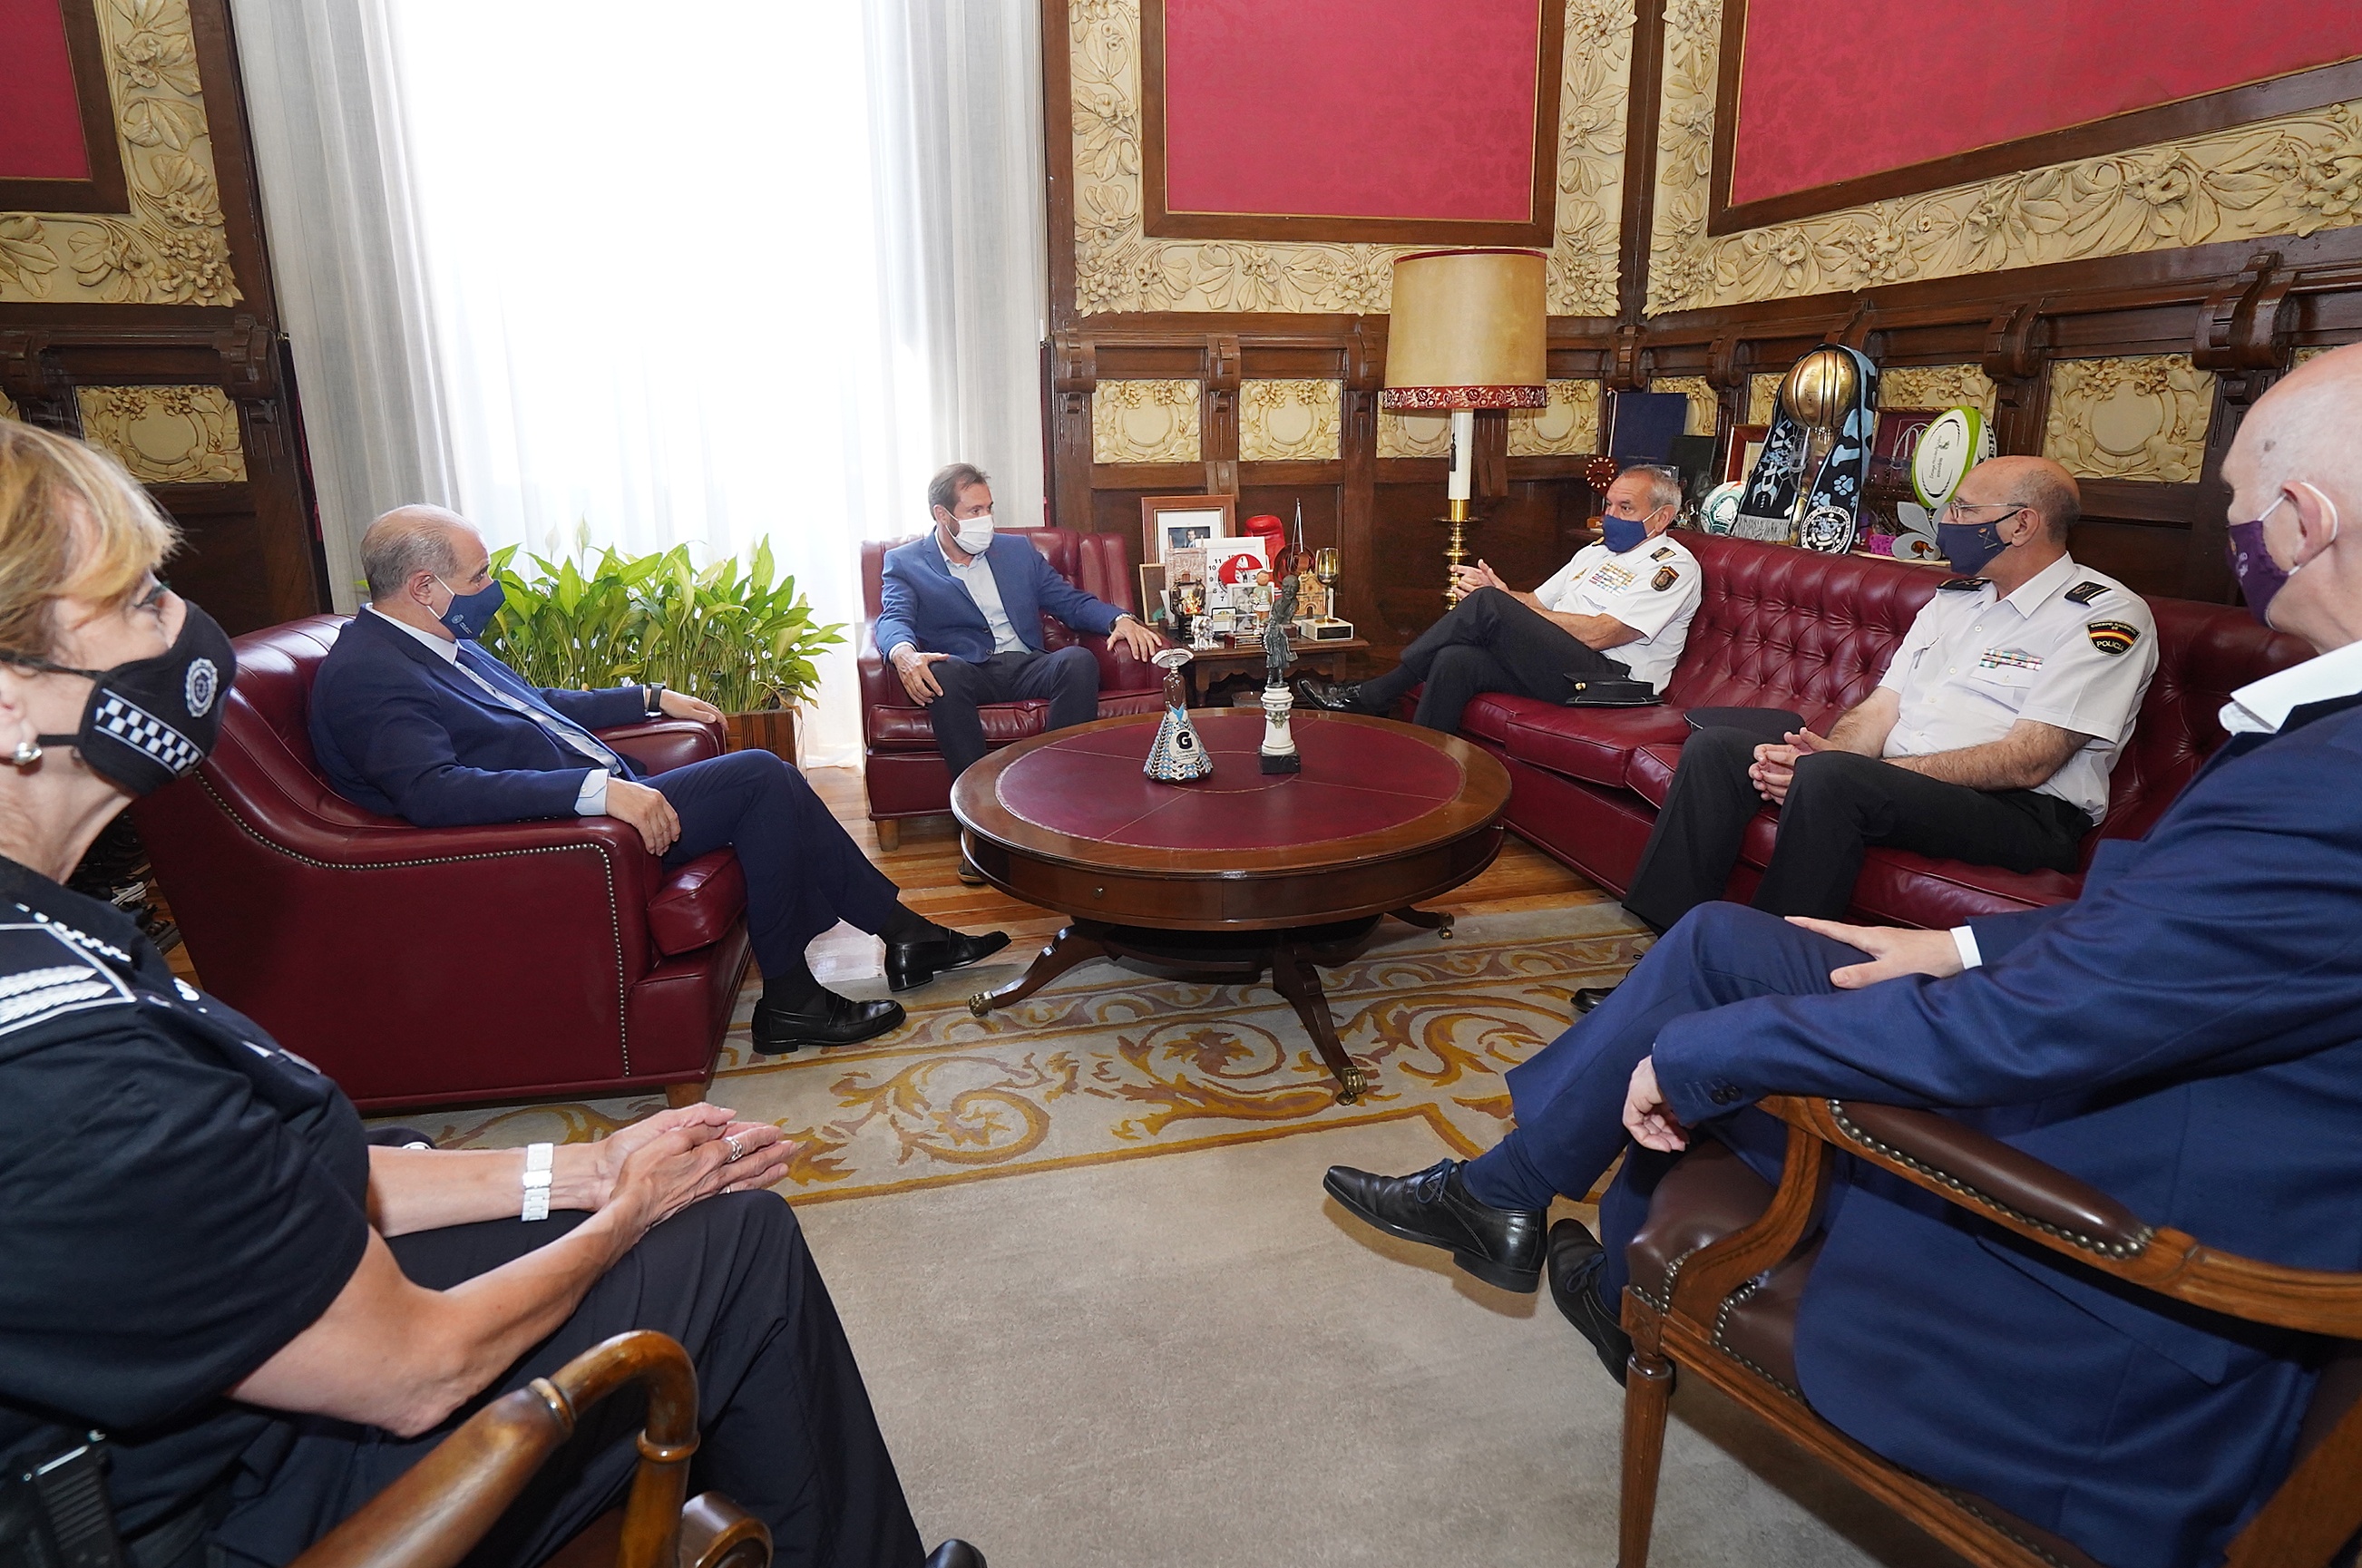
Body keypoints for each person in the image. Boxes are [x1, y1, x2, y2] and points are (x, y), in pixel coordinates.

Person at [1323, 343, 2362, 1568]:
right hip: (2093, 1016)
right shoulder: (2299, 738)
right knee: (1720, 939)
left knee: (1700, 1031)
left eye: (2239, 502)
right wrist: (1954, 938)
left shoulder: (2297, 755)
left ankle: (1585, 1241)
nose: (2236, 533)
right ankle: (1504, 1193)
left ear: (2306, 519)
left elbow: (2049, 983)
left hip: (2120, 1196)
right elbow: (2183, 942)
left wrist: (1708, 1051)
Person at [0, 424, 982, 1568]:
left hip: (251, 1368)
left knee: (715, 1199)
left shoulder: (62, 937)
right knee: (738, 1239)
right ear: (13, 699)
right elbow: (414, 1370)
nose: (183, 625)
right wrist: (627, 1211)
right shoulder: (62, 1057)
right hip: (254, 1485)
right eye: (137, 599)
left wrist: (581, 1168)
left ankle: (873, 946)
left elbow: (261, 1183)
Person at [309, 505, 1006, 1051]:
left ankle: (892, 943)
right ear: (423, 587)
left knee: (772, 787)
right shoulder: (371, 673)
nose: (491, 588)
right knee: (762, 778)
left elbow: (538, 705)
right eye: (479, 577)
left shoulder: (434, 641)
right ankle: (818, 984)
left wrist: (649, 696)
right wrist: (596, 791)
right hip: (571, 833)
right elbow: (435, 792)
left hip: (598, 800)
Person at [1615, 455, 2156, 950]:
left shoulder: (2102, 616)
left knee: (1832, 779)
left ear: (2022, 524)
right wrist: (1830, 754)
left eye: (1964, 510)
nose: (1947, 521)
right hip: (1900, 781)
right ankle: (1668, 954)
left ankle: (1761, 978)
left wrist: (1847, 771)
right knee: (1718, 751)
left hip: (2022, 812)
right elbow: (1882, 706)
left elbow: (2029, 760)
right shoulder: (1955, 600)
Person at [1294, 465, 1701, 735]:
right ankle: (1425, 771)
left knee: (1488, 605)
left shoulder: (1673, 566)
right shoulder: (1596, 552)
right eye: (1608, 504)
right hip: (1569, 664)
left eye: (1625, 508)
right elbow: (1537, 603)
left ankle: (1374, 694)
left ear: (1662, 517)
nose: (1610, 515)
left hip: (1614, 682)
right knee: (1456, 659)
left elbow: (1602, 634)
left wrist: (1500, 607)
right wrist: (1506, 597)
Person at [876, 462, 1165, 783]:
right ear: (942, 515)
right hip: (967, 671)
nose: (986, 519)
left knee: (1078, 661)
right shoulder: (906, 562)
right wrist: (903, 653)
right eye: (974, 511)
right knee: (942, 672)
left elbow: (1069, 601)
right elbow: (893, 617)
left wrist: (1118, 619)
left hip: (1026, 665)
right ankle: (978, 793)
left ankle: (1058, 783)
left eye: (989, 508)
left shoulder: (1016, 551)